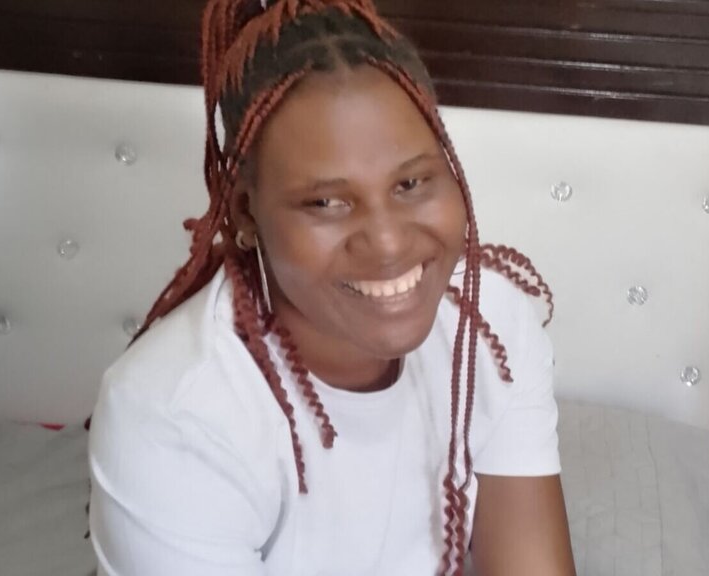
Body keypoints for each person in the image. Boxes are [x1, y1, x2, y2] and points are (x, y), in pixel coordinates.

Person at [87, 1, 576, 575]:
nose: (388, 243)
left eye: (412, 183)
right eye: (325, 202)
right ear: (245, 212)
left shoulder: (492, 327)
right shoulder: (173, 417)